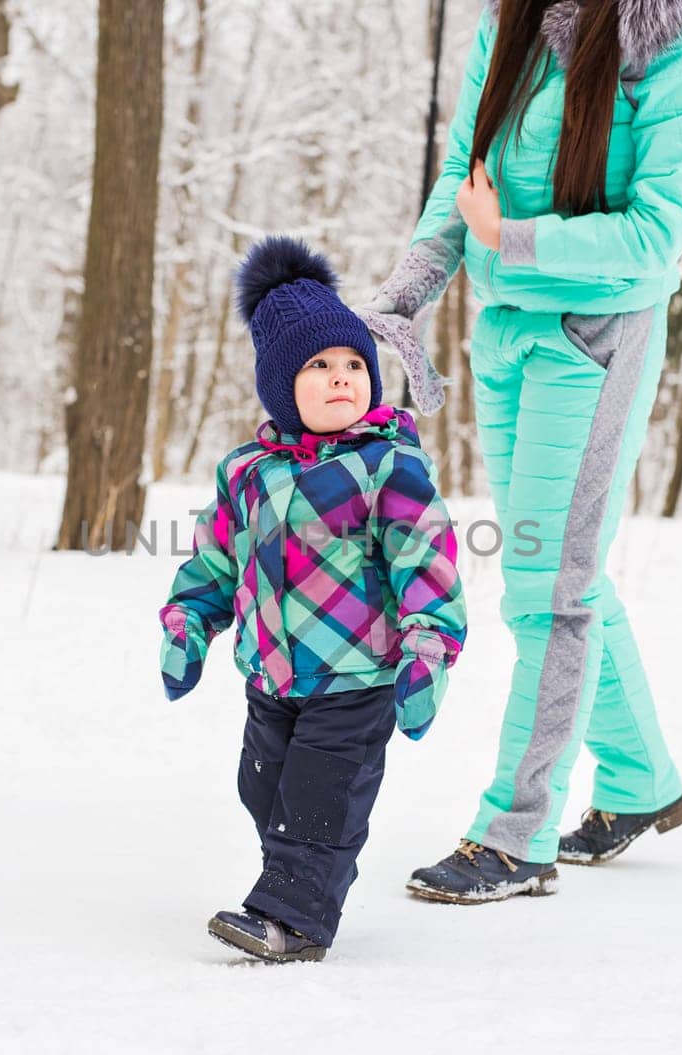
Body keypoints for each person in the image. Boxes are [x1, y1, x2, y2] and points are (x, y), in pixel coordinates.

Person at [359, 0, 682, 903]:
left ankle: (515, 834)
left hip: (597, 334)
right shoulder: (512, 19)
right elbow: (464, 170)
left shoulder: (675, 36)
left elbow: (654, 232)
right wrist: (408, 290)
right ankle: (640, 779)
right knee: (561, 574)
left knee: (547, 589)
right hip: (508, 334)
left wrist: (506, 239)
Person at [158, 236, 468, 960]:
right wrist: (190, 622)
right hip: (271, 676)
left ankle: (293, 920)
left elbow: (427, 557)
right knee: (263, 789)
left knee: (320, 801)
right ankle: (295, 874)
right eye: (319, 366)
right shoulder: (247, 472)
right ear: (278, 385)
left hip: (357, 678)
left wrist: (428, 648)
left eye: (354, 364)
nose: (341, 378)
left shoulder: (387, 463)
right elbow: (215, 557)